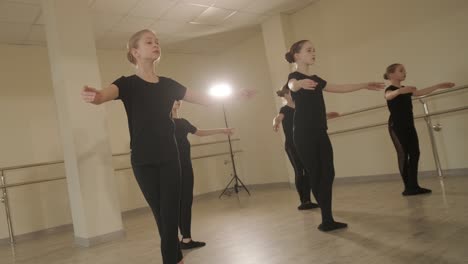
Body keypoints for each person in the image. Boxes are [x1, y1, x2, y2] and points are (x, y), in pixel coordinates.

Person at [81, 29, 254, 264]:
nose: (155, 45)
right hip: (142, 160)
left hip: (170, 157)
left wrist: (234, 94)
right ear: (135, 51)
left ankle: (172, 260)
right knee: (161, 216)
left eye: (157, 42)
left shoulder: (169, 85)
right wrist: (95, 95)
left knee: (170, 214)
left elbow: (204, 98)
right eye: (149, 42)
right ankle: (176, 259)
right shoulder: (127, 84)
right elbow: (103, 95)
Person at [285, 39, 384, 231]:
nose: (313, 53)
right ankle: (326, 219)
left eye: (314, 50)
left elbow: (339, 88)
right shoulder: (294, 76)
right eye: (309, 50)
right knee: (316, 172)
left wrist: (364, 84)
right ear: (297, 55)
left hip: (320, 131)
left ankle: (328, 217)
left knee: (328, 172)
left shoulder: (316, 78)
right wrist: (299, 84)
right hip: (303, 134)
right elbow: (292, 85)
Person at [383, 63, 454, 196]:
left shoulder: (406, 89)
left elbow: (420, 92)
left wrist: (439, 85)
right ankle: (407, 188)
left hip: (409, 125)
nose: (404, 72)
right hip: (396, 126)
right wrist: (399, 91)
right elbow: (388, 96)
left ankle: (414, 186)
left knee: (415, 153)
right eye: (401, 70)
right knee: (403, 154)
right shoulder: (390, 89)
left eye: (404, 70)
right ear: (391, 74)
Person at [171, 100, 234, 249]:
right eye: (173, 98)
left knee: (186, 201)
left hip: (185, 167)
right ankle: (172, 240)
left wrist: (221, 130)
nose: (177, 101)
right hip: (170, 168)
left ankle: (186, 239)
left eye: (178, 99)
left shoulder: (183, 122)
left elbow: (200, 132)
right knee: (172, 203)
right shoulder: (162, 122)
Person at [273, 84, 339, 210]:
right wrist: (275, 123)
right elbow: (278, 118)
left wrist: (329, 115)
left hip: (304, 143)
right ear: (286, 95)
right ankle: (304, 201)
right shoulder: (284, 109)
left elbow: (314, 117)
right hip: (292, 146)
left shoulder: (302, 108)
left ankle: (310, 200)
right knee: (299, 171)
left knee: (309, 170)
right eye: (293, 92)